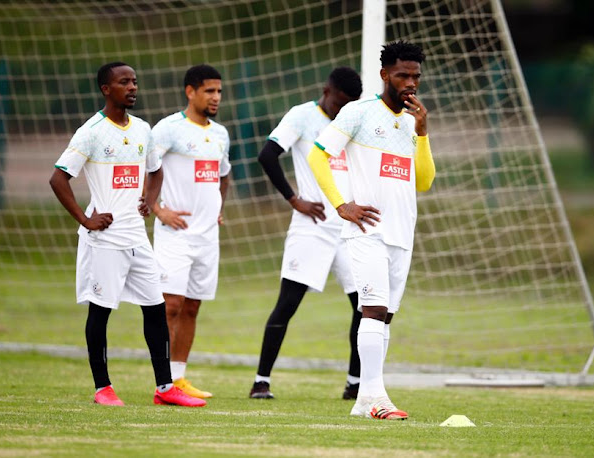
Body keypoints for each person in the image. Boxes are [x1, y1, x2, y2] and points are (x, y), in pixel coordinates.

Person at [49, 62, 205, 408]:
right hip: (104, 241)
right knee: (101, 311)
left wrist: (149, 201)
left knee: (155, 308)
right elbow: (58, 179)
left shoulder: (142, 129)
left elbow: (156, 170)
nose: (132, 87)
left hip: (137, 238)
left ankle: (165, 387)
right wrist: (86, 220)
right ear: (107, 89)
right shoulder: (91, 131)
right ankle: (103, 388)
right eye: (124, 82)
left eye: (134, 81)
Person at [307, 41, 435, 420]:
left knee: (385, 318)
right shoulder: (357, 112)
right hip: (367, 231)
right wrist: (341, 205)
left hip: (402, 233)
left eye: (415, 76)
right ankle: (377, 398)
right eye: (402, 75)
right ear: (384, 75)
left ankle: (365, 399)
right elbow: (318, 155)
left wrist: (424, 132)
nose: (410, 82)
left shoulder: (414, 121)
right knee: (373, 310)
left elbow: (424, 181)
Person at [249, 67, 363, 400]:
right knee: (287, 305)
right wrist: (293, 199)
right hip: (312, 228)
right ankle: (261, 381)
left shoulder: (352, 120)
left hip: (347, 229)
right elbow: (267, 154)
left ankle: (356, 384)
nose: (342, 109)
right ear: (326, 90)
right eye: (339, 102)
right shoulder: (301, 116)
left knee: (364, 305)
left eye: (348, 104)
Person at [150, 64, 231, 399]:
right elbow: (146, 168)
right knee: (170, 304)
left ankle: (179, 377)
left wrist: (219, 208)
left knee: (193, 307)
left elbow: (224, 174)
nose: (215, 97)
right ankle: (163, 383)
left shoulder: (221, 133)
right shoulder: (168, 129)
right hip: (175, 232)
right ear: (190, 91)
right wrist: (158, 209)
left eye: (219, 91)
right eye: (209, 91)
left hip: (206, 237)